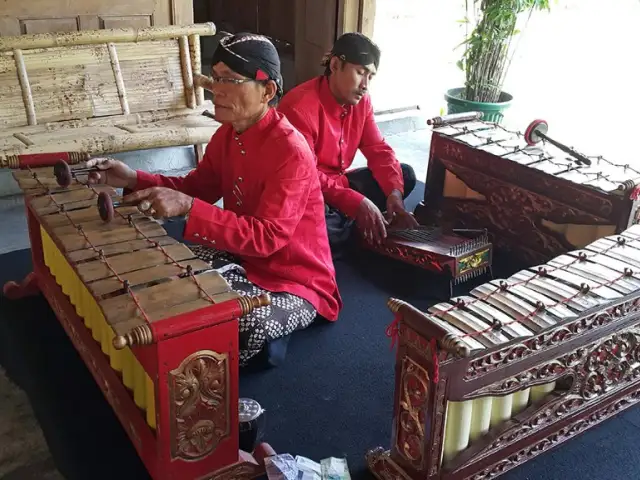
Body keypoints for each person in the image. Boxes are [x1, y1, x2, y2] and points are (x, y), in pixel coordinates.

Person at [84, 32, 342, 368]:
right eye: (216, 78)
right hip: (240, 257)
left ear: (267, 91)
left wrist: (189, 208)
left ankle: (267, 338)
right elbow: (199, 187)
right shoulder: (227, 134)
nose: (217, 89)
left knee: (243, 325)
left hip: (294, 278)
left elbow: (267, 238)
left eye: (231, 80)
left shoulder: (290, 150)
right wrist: (132, 178)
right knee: (159, 269)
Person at [278, 32, 418, 253]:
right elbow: (307, 176)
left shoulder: (362, 102)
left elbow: (378, 150)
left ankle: (356, 226)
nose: (365, 85)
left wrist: (395, 194)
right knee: (306, 224)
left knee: (404, 175)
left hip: (341, 187)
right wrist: (356, 203)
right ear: (335, 65)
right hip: (309, 193)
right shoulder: (298, 107)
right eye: (360, 72)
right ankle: (357, 228)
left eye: (370, 77)